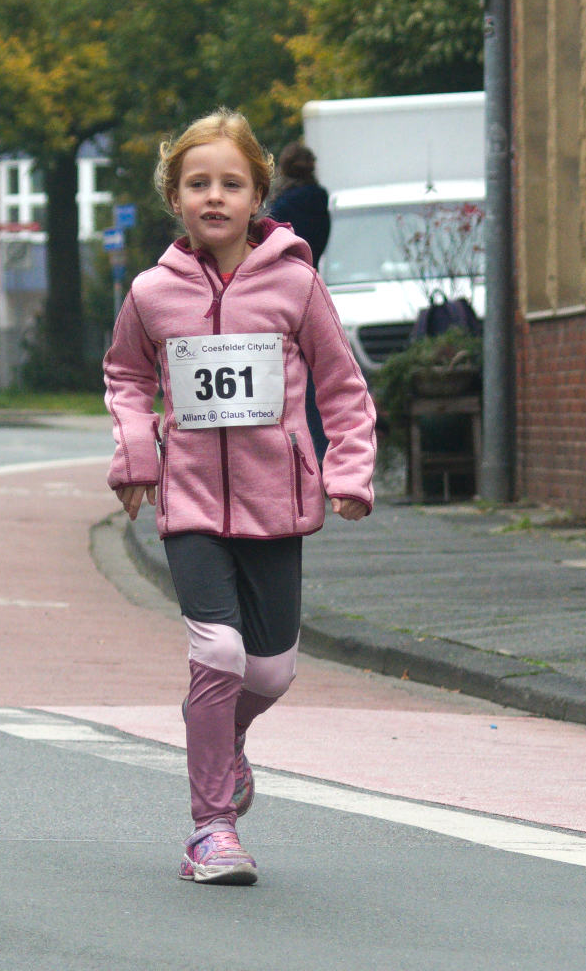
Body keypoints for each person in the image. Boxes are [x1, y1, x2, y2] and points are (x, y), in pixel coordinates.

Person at [104, 108, 376, 885]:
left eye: (231, 183)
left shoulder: (296, 283)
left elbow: (343, 387)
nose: (213, 197)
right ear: (175, 197)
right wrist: (134, 458)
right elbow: (126, 376)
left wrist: (349, 470)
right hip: (189, 505)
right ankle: (211, 829)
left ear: (260, 195)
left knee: (270, 674)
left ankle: (224, 746)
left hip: (275, 503)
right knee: (217, 653)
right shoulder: (153, 293)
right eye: (197, 184)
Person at [266, 142, 332, 458]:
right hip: (314, 287)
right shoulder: (321, 204)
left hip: (283, 293)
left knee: (292, 380)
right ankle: (322, 451)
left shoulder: (281, 208)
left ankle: (300, 453)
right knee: (319, 378)